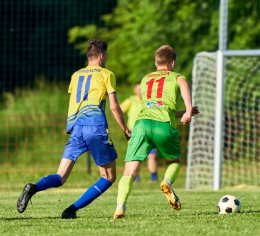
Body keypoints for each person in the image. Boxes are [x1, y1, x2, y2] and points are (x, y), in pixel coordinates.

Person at [17, 39, 131, 219]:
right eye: (106, 55)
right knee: (109, 177)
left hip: (77, 128)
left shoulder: (76, 75)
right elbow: (115, 107)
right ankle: (71, 209)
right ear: (102, 56)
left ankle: (34, 187)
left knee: (60, 176)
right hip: (95, 127)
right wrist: (125, 128)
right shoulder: (107, 74)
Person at [113, 45, 199, 219]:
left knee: (129, 171)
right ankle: (166, 182)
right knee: (174, 160)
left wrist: (183, 113)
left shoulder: (145, 79)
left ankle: (120, 206)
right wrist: (188, 110)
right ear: (172, 63)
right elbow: (183, 86)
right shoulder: (177, 77)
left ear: (156, 62)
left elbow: (155, 107)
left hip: (141, 125)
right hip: (163, 126)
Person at [120, 82, 158, 181]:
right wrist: (125, 127)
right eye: (138, 89)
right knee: (135, 156)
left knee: (152, 155)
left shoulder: (150, 101)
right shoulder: (130, 100)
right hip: (134, 133)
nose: (140, 91)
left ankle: (154, 176)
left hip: (149, 132)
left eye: (142, 89)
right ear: (134, 90)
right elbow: (118, 111)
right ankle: (135, 176)